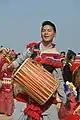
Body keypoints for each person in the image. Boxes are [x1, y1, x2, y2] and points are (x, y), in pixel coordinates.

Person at [2, 20, 67, 120]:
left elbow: (58, 78)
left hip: (45, 95)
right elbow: (19, 60)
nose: (46, 33)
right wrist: (10, 66)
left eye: (49, 31)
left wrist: (64, 98)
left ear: (54, 34)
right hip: (26, 92)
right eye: (43, 30)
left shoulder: (55, 56)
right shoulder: (33, 49)